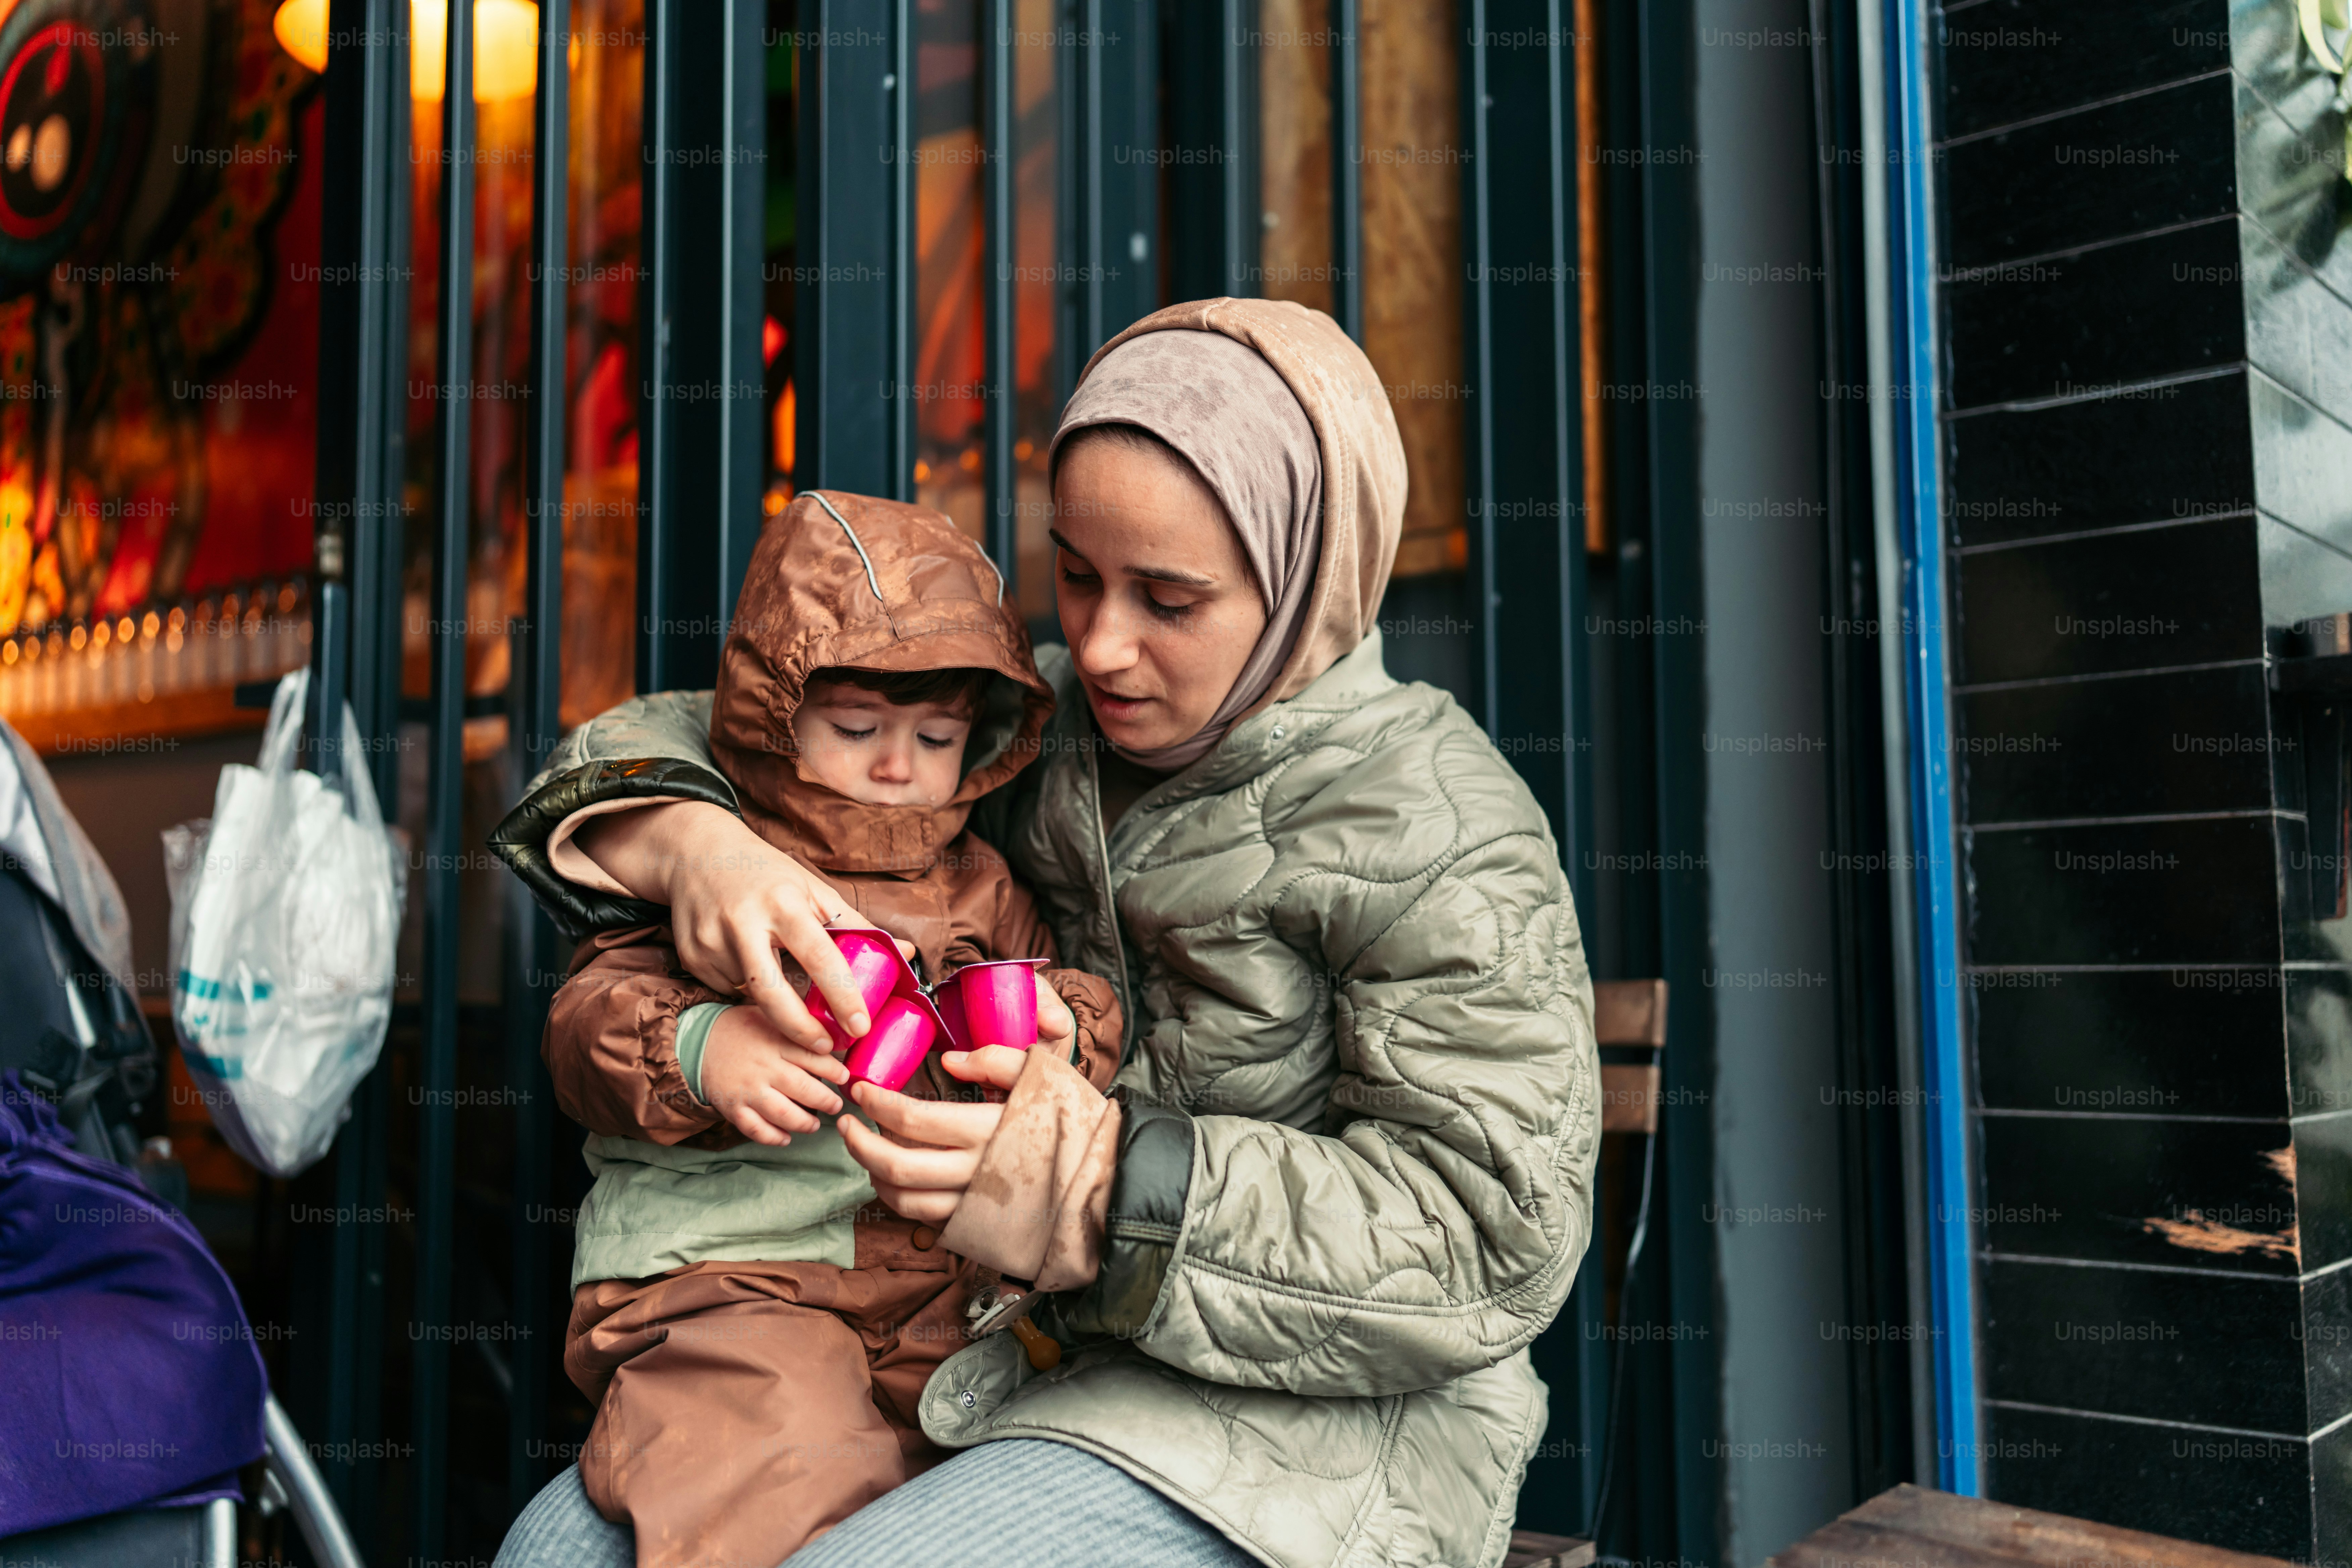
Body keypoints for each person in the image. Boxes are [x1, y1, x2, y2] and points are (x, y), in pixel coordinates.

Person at [491, 298, 1599, 1568]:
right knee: (557, 1553)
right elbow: (740, 720)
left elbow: (1491, 1234)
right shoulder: (1046, 727)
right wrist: (697, 844)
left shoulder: (1444, 828)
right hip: (1007, 1353)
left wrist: (1099, 1194)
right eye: (1076, 574)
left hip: (1306, 1428)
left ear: (1305, 578)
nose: (1102, 643)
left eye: (1169, 600)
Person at [522, 495, 1123, 1568]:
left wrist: (1061, 1037)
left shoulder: (984, 883)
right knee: (777, 1468)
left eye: (936, 738)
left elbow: (1065, 1001)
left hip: (938, 1292)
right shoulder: (723, 853)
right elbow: (585, 1022)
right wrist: (703, 1051)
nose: (898, 766)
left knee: (944, 1481)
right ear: (772, 718)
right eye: (856, 731)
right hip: (732, 1280)